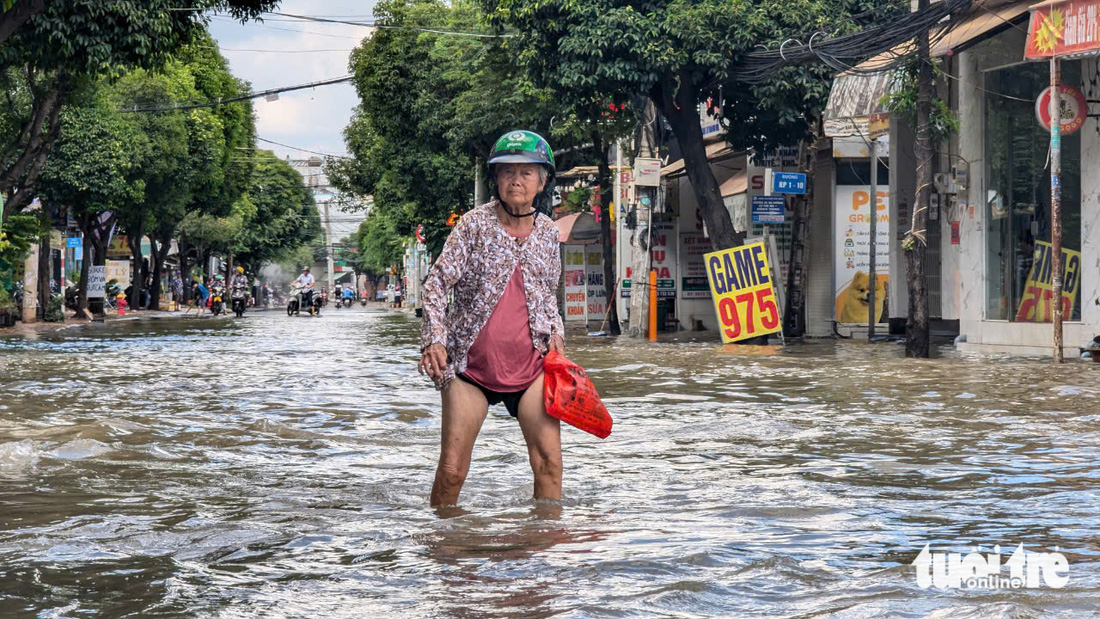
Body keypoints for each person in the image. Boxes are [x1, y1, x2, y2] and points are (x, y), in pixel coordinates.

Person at [419, 130, 566, 508]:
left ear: (542, 181)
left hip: (532, 367)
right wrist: (434, 340)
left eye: (526, 173)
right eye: (507, 172)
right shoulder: (473, 225)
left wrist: (558, 339)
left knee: (549, 464)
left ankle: (545, 552)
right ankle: (445, 547)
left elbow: (548, 295)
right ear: (495, 180)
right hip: (471, 369)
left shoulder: (549, 232)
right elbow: (436, 285)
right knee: (452, 471)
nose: (516, 180)